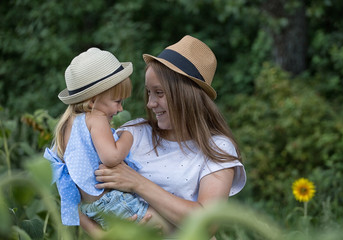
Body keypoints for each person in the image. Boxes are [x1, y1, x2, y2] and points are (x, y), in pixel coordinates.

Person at [80, 35, 246, 238]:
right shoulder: (133, 133)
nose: (150, 103)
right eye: (149, 92)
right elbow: (78, 184)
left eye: (159, 93)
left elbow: (206, 224)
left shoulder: (217, 149)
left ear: (187, 96)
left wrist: (137, 183)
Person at [43, 47, 171, 231]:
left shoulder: (66, 128)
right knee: (179, 229)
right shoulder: (96, 118)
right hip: (115, 201)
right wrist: (127, 136)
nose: (120, 109)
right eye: (117, 101)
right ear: (93, 101)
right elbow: (111, 157)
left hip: (93, 210)